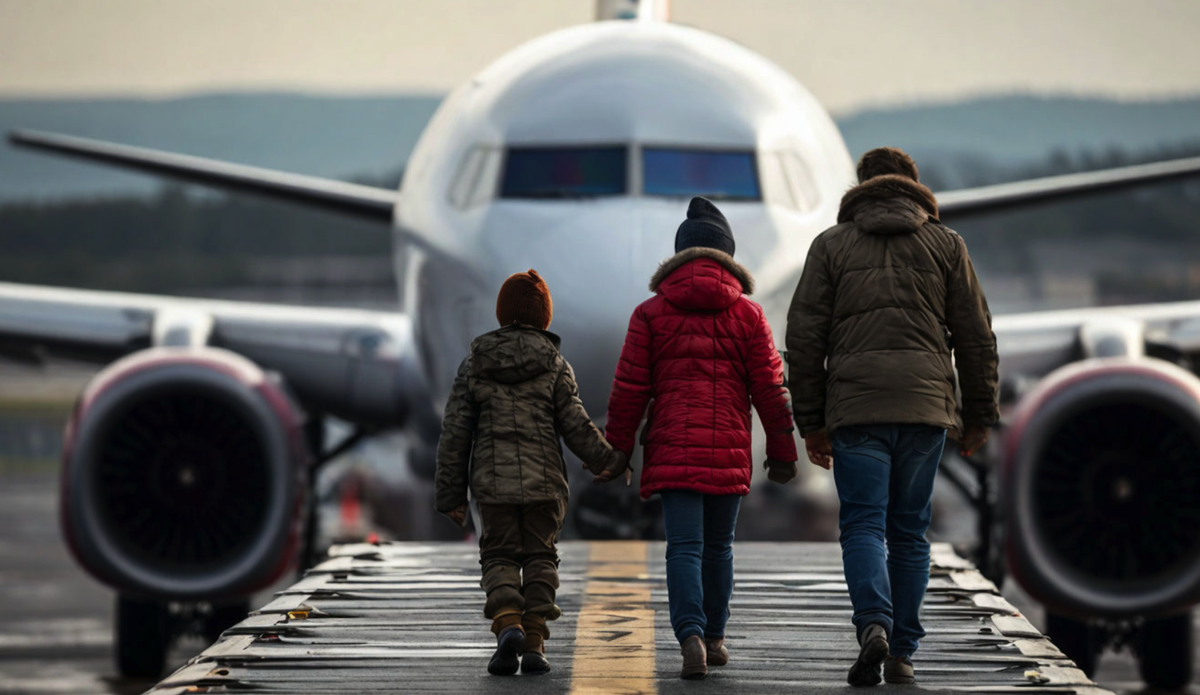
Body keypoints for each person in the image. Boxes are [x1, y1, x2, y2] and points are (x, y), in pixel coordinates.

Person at [786, 147, 999, 686]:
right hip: (925, 410)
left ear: (860, 186)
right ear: (914, 186)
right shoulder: (948, 245)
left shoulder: (830, 246)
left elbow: (804, 340)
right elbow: (976, 337)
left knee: (862, 524)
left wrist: (809, 421)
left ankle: (874, 624)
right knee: (909, 533)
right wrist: (978, 416)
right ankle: (903, 650)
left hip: (856, 409)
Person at [606, 197, 799, 680]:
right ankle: (714, 637)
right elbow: (771, 391)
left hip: (673, 447)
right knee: (719, 548)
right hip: (729, 449)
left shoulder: (650, 313)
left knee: (684, 547)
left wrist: (617, 450)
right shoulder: (749, 316)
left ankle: (689, 634)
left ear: (679, 257)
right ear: (728, 257)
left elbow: (629, 387)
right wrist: (782, 451)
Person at [434, 269, 627, 676]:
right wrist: (608, 462)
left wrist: (451, 495)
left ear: (501, 315)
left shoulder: (474, 365)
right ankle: (535, 644)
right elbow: (576, 424)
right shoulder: (555, 364)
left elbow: (455, 433)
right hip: (545, 486)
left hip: (493, 485)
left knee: (499, 555)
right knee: (542, 557)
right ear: (545, 320)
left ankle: (508, 624)